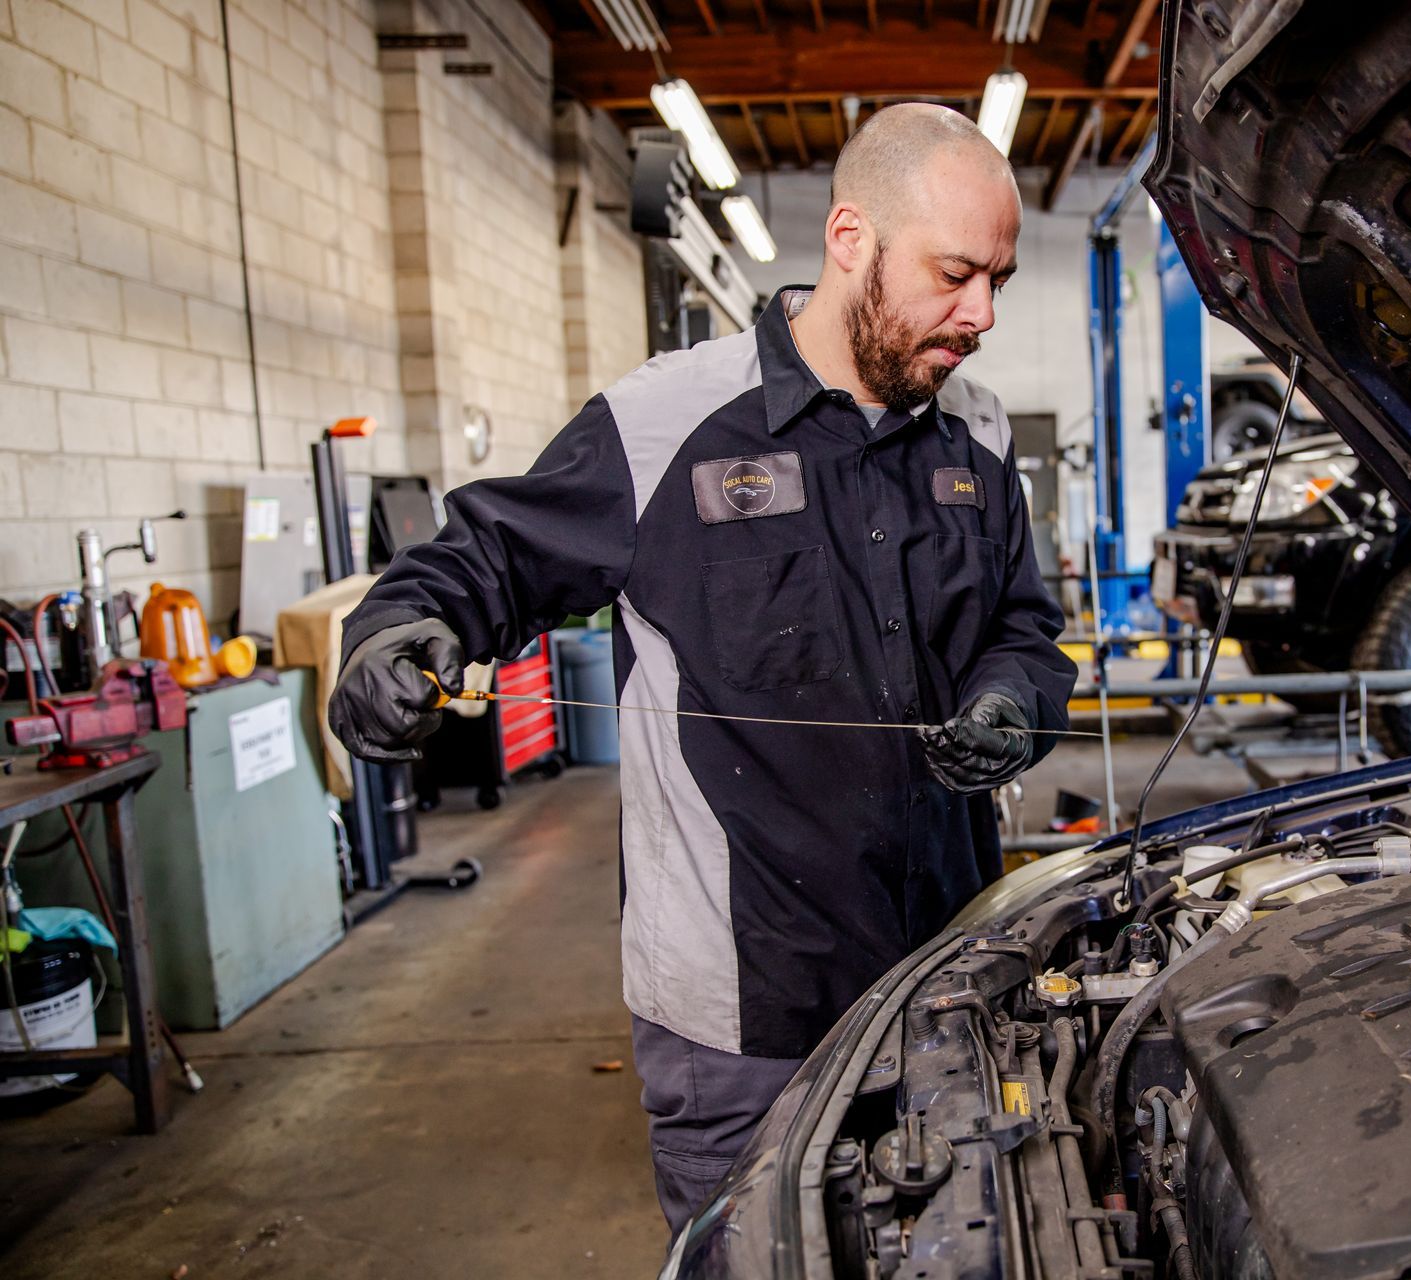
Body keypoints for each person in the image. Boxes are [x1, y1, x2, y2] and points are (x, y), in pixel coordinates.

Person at [326, 103, 1078, 1232]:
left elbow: (1025, 628)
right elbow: (480, 558)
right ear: (850, 238)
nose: (979, 314)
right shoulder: (665, 424)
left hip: (942, 985)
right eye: (956, 273)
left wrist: (1014, 696)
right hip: (741, 1030)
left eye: (999, 283)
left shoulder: (972, 443)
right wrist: (394, 636)